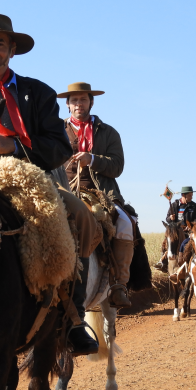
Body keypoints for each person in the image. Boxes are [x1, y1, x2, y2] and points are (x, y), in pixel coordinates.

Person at [0, 13, 103, 356]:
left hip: (32, 178)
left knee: (82, 218)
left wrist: (13, 146)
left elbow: (59, 147)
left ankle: (73, 316)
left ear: (12, 50)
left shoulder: (38, 93)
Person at [58, 82, 134, 308]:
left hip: (102, 192)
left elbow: (117, 166)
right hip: (63, 189)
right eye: (74, 100)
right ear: (67, 104)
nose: (78, 104)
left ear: (91, 102)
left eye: (83, 99)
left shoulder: (108, 132)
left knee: (125, 223)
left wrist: (92, 159)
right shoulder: (56, 130)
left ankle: (119, 284)